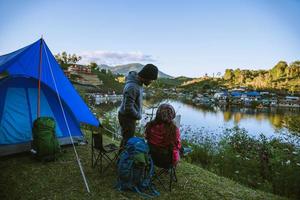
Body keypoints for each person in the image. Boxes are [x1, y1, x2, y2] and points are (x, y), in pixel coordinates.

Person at [118, 64, 158, 148]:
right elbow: (128, 108)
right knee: (127, 141)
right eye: (151, 79)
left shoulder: (138, 84)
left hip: (128, 117)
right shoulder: (132, 87)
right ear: (146, 76)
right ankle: (122, 159)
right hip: (127, 118)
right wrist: (138, 116)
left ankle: (121, 159)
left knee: (126, 139)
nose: (151, 82)